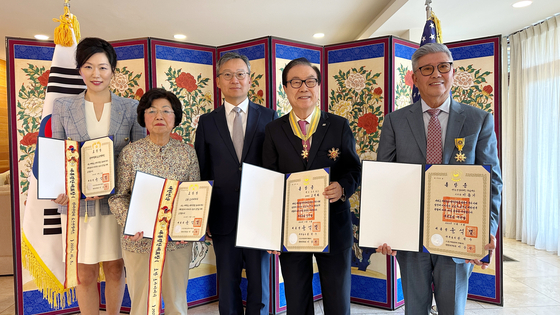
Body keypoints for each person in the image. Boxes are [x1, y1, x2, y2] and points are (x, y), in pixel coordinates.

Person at [376, 43, 503, 315]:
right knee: (415, 308)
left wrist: (487, 230)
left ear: (453, 72)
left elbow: (492, 182)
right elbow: (383, 180)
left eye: (443, 66)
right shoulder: (395, 121)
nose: (436, 74)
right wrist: (384, 230)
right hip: (410, 236)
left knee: (452, 309)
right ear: (414, 78)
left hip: (458, 234)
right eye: (427, 69)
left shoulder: (478, 120)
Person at [51, 37, 146, 315]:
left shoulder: (130, 107)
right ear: (80, 70)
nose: (96, 74)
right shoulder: (63, 107)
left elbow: (138, 155)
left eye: (103, 67)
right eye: (89, 67)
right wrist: (60, 188)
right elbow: (57, 153)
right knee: (84, 272)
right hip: (78, 204)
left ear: (113, 71)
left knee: (116, 268)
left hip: (115, 204)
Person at [262, 57, 361, 315]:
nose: (303, 87)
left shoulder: (338, 125)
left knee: (338, 299)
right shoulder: (273, 130)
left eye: (310, 81)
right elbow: (269, 181)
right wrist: (272, 231)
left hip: (334, 226)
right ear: (285, 88)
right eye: (295, 82)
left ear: (318, 87)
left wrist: (342, 188)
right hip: (292, 229)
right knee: (296, 298)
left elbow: (354, 169)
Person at [194, 52, 277, 315]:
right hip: (222, 212)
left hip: (259, 214)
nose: (234, 80)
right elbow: (202, 169)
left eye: (240, 74)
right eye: (227, 75)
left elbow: (276, 167)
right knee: (227, 281)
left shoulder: (270, 117)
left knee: (259, 282)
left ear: (250, 79)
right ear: (218, 81)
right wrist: (203, 214)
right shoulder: (208, 122)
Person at [108, 88, 199, 315]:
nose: (159, 116)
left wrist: (191, 226)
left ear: (175, 118)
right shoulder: (130, 153)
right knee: (140, 303)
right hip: (139, 240)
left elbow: (194, 195)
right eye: (152, 111)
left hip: (176, 241)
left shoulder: (187, 153)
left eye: (166, 111)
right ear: (143, 117)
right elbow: (118, 196)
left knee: (177, 301)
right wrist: (130, 223)